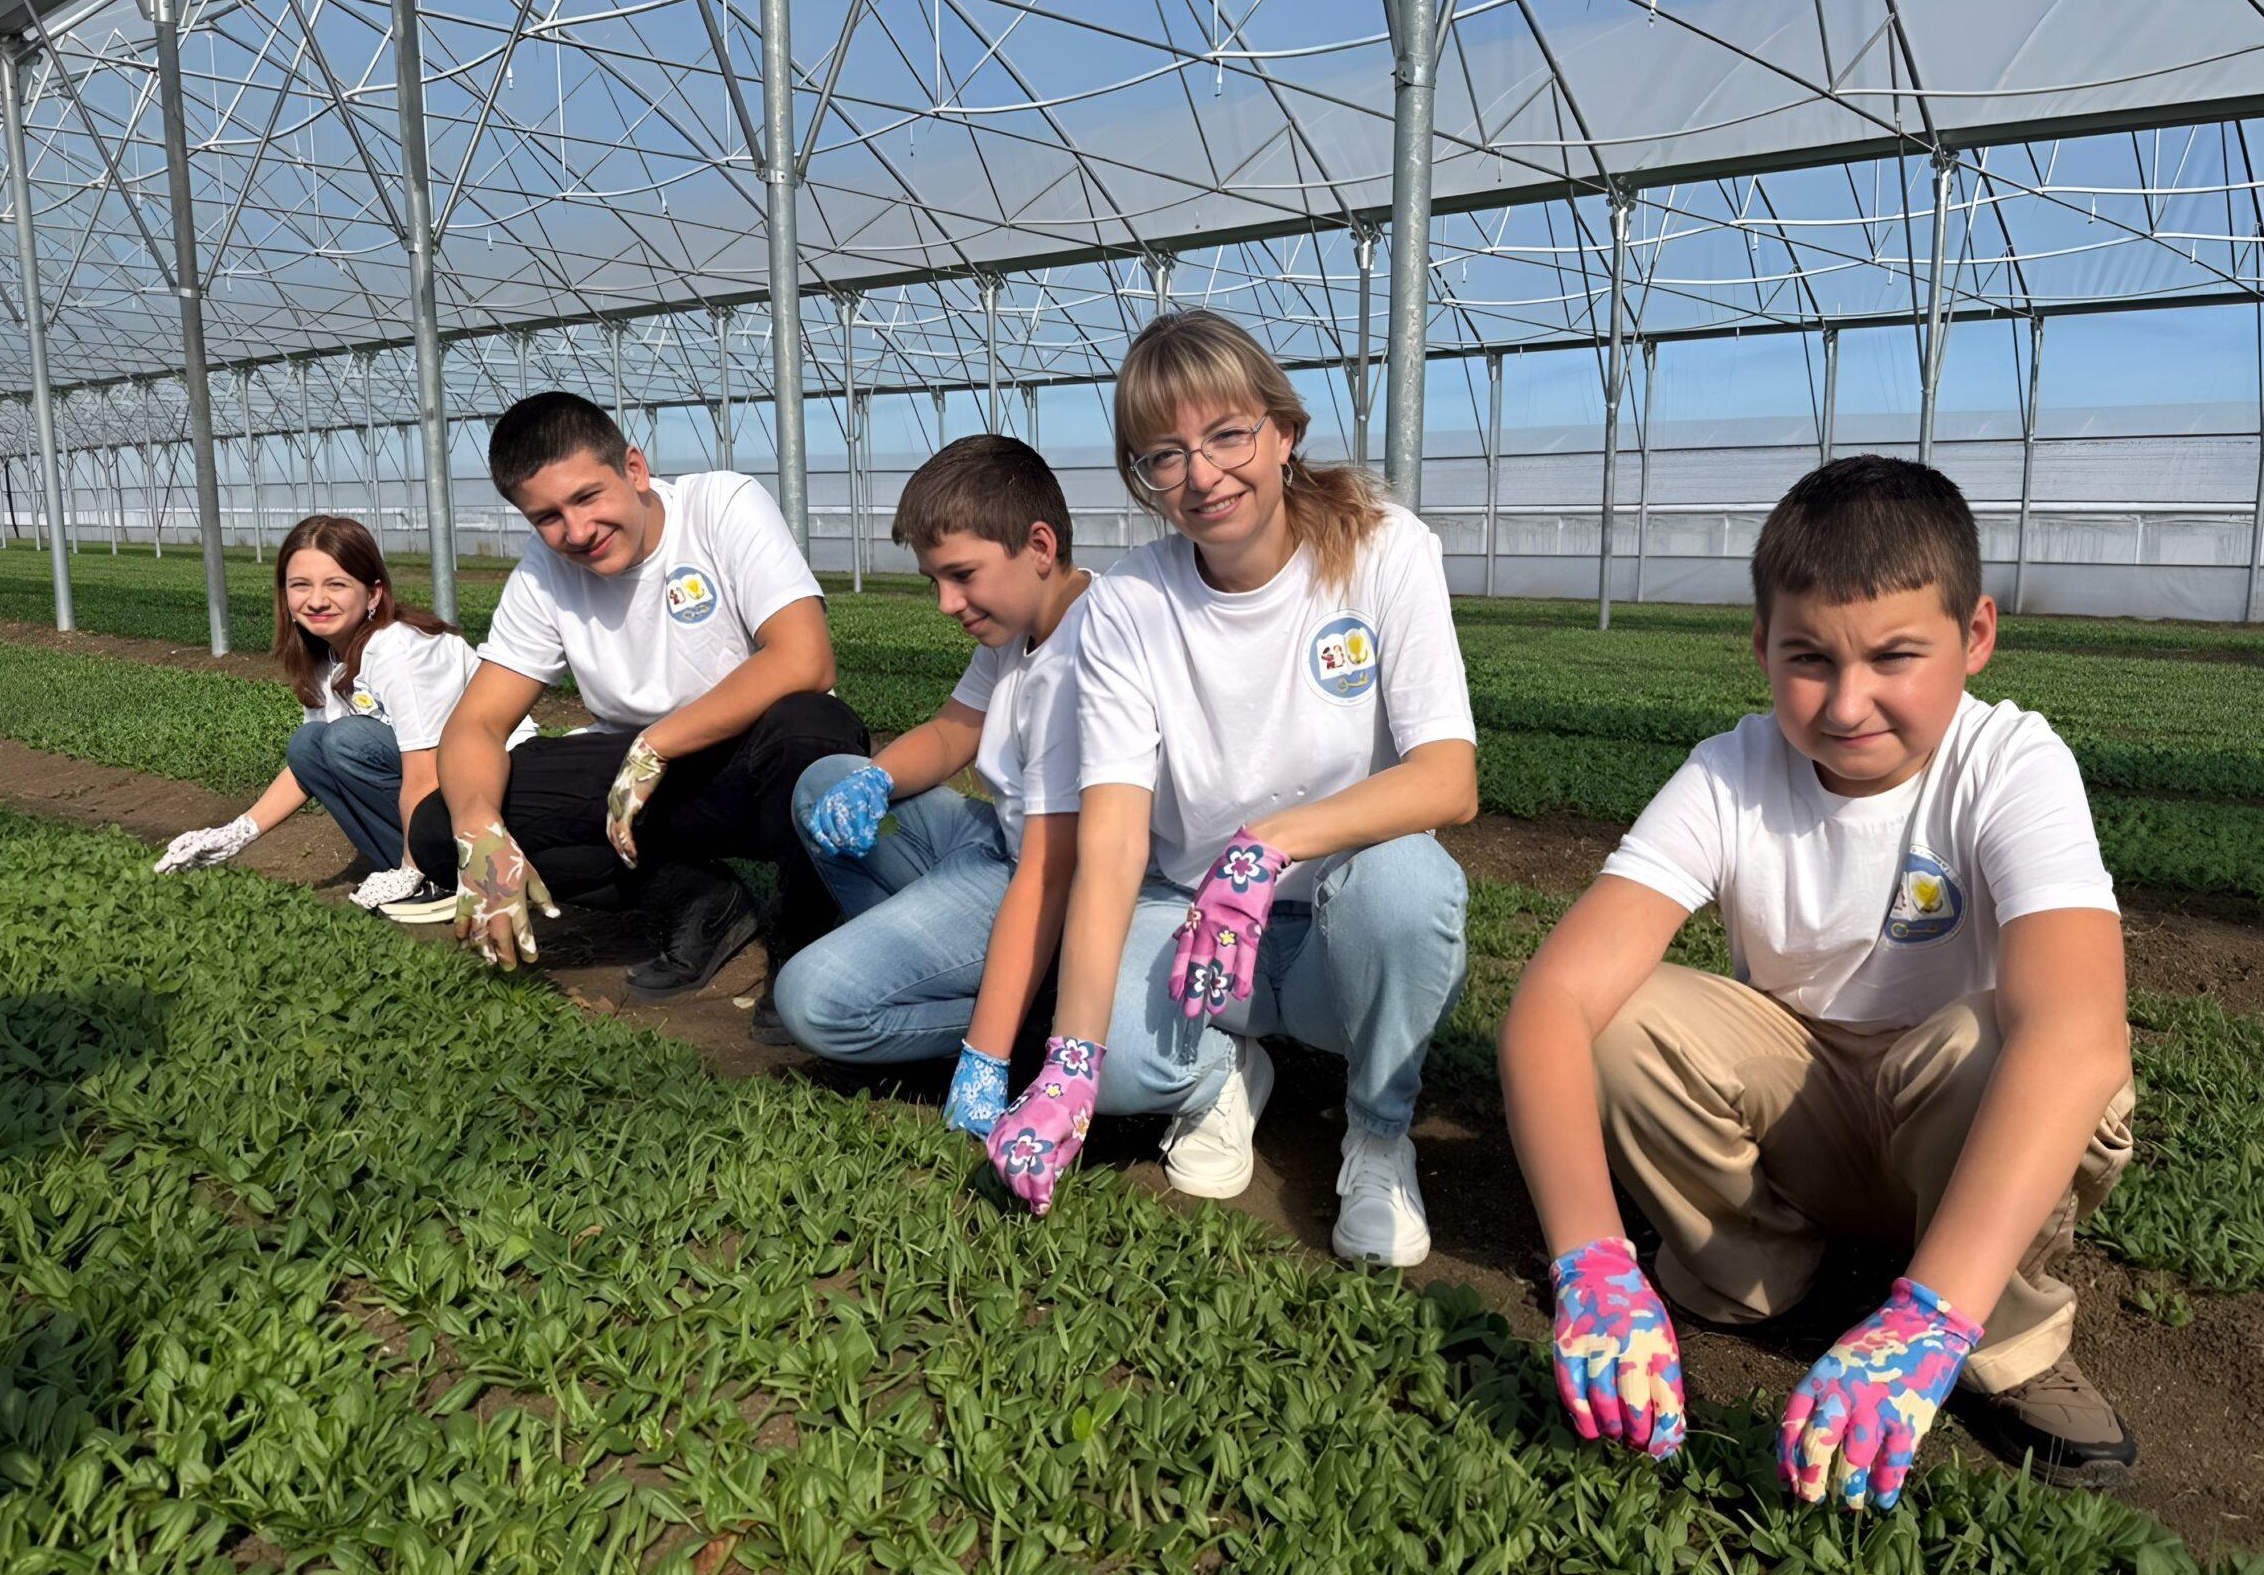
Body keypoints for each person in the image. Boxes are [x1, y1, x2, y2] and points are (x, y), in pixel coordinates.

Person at [1499, 454, 2137, 1508]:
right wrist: (1589, 1261)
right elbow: (1551, 1005)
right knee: (1622, 1016)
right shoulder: (1727, 772)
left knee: (2001, 1041)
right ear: (1758, 645)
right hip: (1810, 1106)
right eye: (1807, 659)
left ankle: (1991, 1335)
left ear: (1974, 636)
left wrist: (1928, 1313)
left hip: (1960, 1123)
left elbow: (2076, 1034)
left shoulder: (2012, 762)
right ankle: (1758, 1272)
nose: (1847, 704)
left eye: (1895, 655)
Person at [981, 311, 1477, 1268]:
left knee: (1408, 887)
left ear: (1283, 433)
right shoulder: (1129, 605)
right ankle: (1219, 1075)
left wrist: (1269, 844)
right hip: (1196, 929)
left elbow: (1448, 780)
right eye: (1165, 455)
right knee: (1110, 1056)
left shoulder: (1387, 551)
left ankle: (1376, 1134)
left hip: (1342, 929)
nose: (1202, 474)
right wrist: (1070, 1062)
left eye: (1226, 435)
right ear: (1144, 477)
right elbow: (1117, 844)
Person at [407, 392, 868, 1032]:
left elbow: (805, 658)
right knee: (439, 827)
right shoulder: (544, 573)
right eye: (547, 517)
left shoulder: (720, 506)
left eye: (588, 497)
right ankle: (698, 900)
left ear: (634, 469)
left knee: (815, 730)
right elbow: (475, 724)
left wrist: (658, 744)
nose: (576, 531)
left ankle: (804, 934)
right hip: (636, 787)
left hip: (747, 765)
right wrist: (480, 831)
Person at [770, 435, 1091, 1119]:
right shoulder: (1017, 629)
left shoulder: (1095, 647)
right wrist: (876, 780)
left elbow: (1051, 869)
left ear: (1039, 545)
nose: (947, 602)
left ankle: (1019, 1018)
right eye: (934, 581)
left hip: (1049, 881)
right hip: (995, 844)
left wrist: (988, 1055)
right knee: (825, 781)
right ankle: (931, 964)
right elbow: (953, 732)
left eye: (962, 574)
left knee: (813, 1002)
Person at [154, 515, 530, 920]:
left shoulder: (399, 650)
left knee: (346, 740)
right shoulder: (323, 654)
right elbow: (306, 766)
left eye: (336, 584)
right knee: (309, 744)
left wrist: (412, 865)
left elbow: (426, 771)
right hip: (440, 796)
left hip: (497, 799)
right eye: (301, 585)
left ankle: (435, 872)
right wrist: (236, 833)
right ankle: (428, 866)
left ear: (373, 593)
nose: (316, 600)